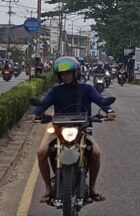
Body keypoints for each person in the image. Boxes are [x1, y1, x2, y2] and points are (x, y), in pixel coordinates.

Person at [29, 56, 116, 205]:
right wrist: (34, 114)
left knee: (96, 153)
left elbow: (101, 100)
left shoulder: (87, 89)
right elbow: (43, 105)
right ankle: (48, 189)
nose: (66, 76)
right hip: (58, 130)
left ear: (76, 73)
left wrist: (109, 110)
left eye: (69, 73)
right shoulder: (56, 91)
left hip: (83, 129)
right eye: (63, 74)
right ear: (59, 76)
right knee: (41, 153)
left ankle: (93, 189)